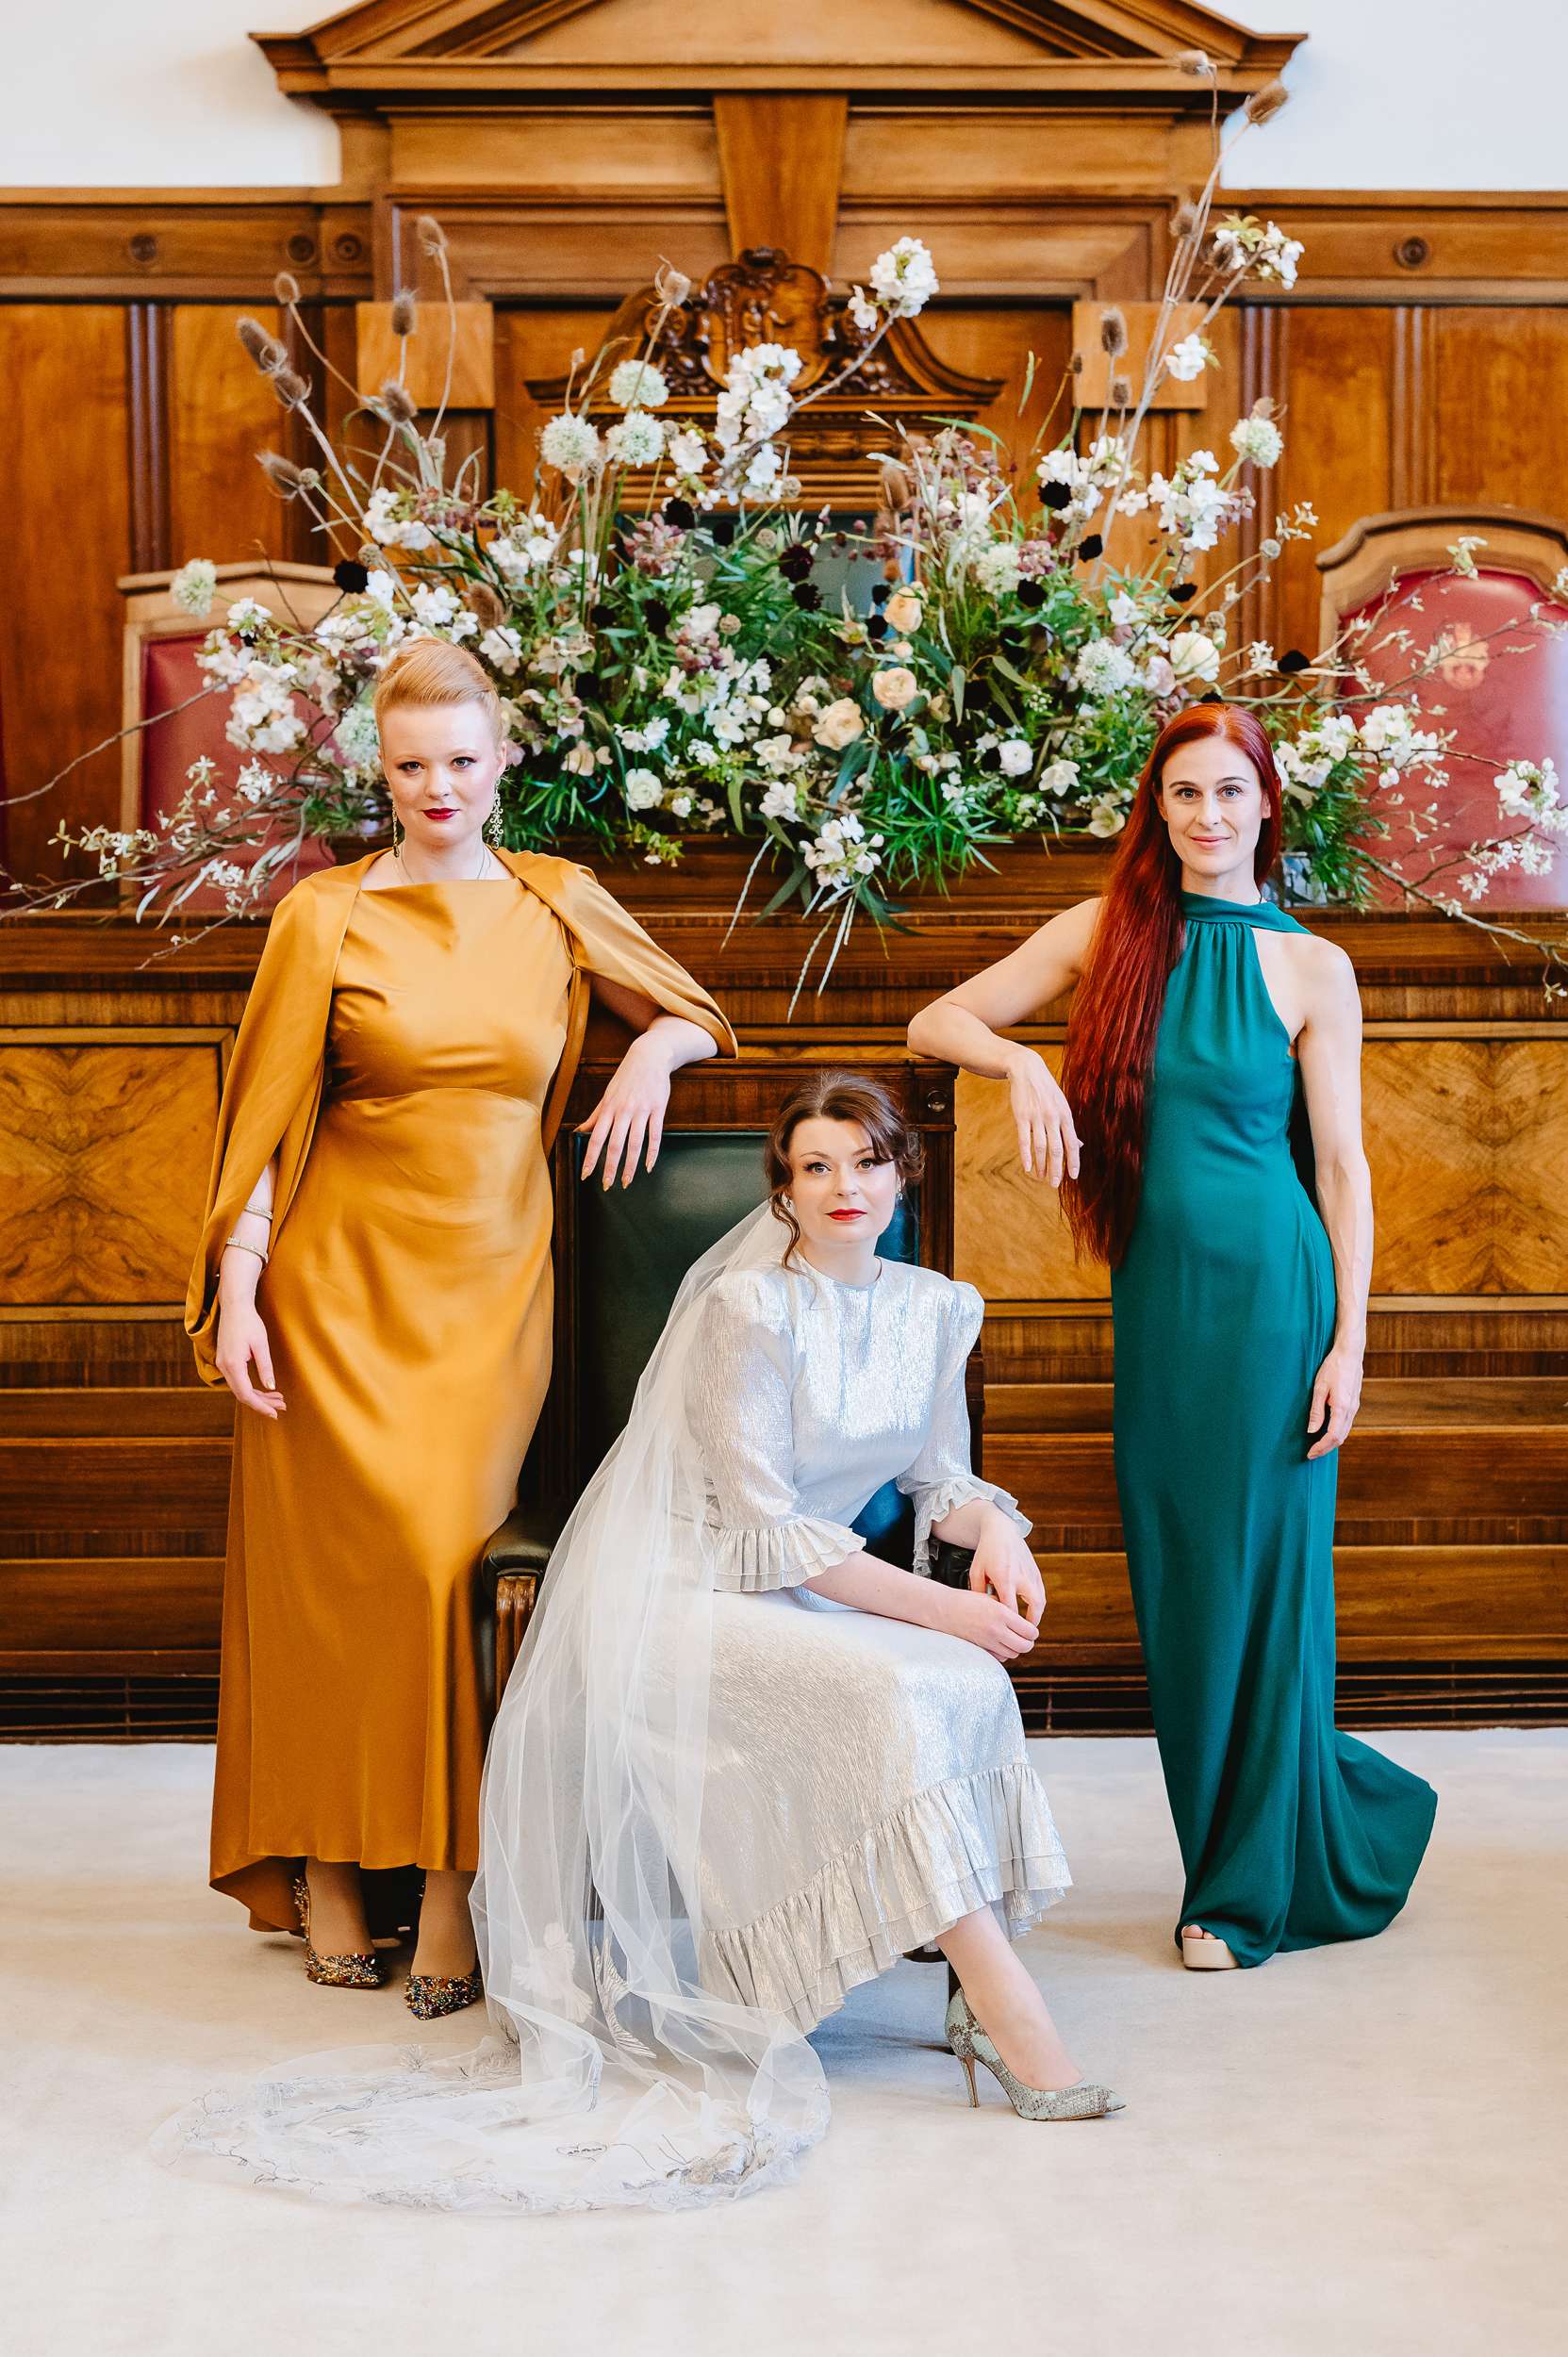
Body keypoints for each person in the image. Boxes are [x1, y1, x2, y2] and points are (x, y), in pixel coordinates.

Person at [157, 1074, 1118, 2215]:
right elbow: (764, 1532)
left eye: (866, 1162)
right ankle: (1014, 2018)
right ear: (784, 1190)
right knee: (902, 1690)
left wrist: (998, 1529)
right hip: (696, 1589)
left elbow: (936, 1478)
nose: (844, 1187)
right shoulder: (748, 1310)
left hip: (816, 1584)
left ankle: (970, 1976)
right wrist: (947, 1610)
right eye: (815, 1166)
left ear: (902, 1174)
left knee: (966, 1685)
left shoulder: (937, 1306)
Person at [188, 637, 734, 2016]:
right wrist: (241, 1282)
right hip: (331, 1288)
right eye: (411, 765)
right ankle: (324, 1864)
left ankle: (451, 1882)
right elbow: (266, 1115)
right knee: (335, 1592)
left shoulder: (556, 899)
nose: (438, 786)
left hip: (489, 1293)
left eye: (461, 761)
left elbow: (698, 1016)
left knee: (447, 1576)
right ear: (381, 773)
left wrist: (651, 1054)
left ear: (503, 764)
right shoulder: (323, 913)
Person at [908, 705, 1436, 1970]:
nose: (1207, 816)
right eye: (1184, 793)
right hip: (1158, 1304)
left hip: (1273, 1302)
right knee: (1185, 1579)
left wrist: (1349, 1345)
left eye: (1229, 792)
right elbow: (938, 1020)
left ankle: (1234, 1896)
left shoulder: (1312, 967)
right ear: (1157, 809)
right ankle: (1313, 1810)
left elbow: (1343, 1169)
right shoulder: (1108, 934)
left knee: (1259, 1579)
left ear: (1266, 805)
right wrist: (1023, 1067)